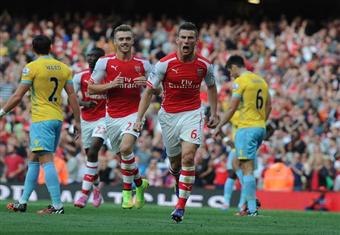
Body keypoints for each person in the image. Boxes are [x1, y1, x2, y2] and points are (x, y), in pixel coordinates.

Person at [134, 22, 219, 223]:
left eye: (191, 38)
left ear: (196, 42)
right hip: (169, 116)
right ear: (177, 40)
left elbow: (212, 87)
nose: (187, 41)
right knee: (175, 163)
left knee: (189, 157)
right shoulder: (164, 64)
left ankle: (180, 207)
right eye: (184, 37)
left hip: (192, 113)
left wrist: (214, 113)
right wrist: (139, 119)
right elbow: (148, 91)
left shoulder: (205, 65)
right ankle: (177, 179)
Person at [2, 35, 81, 214]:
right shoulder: (64, 68)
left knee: (46, 160)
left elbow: (17, 96)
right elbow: (72, 96)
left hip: (41, 119)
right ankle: (22, 202)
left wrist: (2, 112)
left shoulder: (32, 68)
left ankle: (57, 206)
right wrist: (77, 121)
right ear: (51, 47)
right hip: (57, 118)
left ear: (33, 49)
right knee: (33, 159)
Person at [88, 24, 151, 209]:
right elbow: (91, 88)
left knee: (125, 148)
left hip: (134, 113)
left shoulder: (144, 64)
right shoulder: (104, 62)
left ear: (133, 41)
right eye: (121, 39)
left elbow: (160, 89)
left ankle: (126, 193)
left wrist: (148, 83)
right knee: (124, 155)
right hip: (112, 116)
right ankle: (139, 183)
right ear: (115, 42)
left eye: (127, 39)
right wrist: (111, 85)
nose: (124, 42)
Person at [213, 55, 271, 216]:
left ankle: (251, 209)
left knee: (247, 168)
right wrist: (261, 122)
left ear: (234, 66)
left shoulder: (240, 82)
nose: (231, 75)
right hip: (260, 128)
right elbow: (269, 105)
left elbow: (232, 108)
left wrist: (219, 126)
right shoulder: (261, 81)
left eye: (230, 71)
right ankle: (247, 205)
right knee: (237, 163)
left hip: (247, 129)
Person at [72, 47, 106, 208]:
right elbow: (70, 99)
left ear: (101, 59)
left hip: (104, 119)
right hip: (86, 120)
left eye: (94, 56)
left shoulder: (108, 76)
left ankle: (83, 195)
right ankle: (96, 188)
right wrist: (84, 103)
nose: (91, 58)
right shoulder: (80, 76)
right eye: (89, 55)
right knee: (89, 157)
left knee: (93, 152)